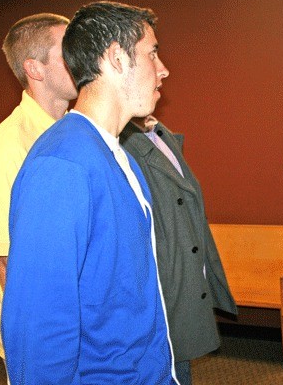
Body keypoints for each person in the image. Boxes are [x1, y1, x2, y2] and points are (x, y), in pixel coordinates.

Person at [1, 2, 178, 384]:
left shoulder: (118, 154)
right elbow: (39, 329)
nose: (162, 69)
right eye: (152, 53)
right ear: (116, 58)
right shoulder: (61, 165)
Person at [0, 13, 77, 365]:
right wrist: (52, 345)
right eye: (68, 52)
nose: (82, 58)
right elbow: (5, 261)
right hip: (44, 341)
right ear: (35, 69)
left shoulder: (76, 133)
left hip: (84, 333)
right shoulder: (8, 147)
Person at [120, 114, 237, 384]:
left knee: (179, 367)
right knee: (171, 370)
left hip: (183, 279)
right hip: (163, 287)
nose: (162, 72)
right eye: (154, 67)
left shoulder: (161, 136)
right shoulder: (120, 146)